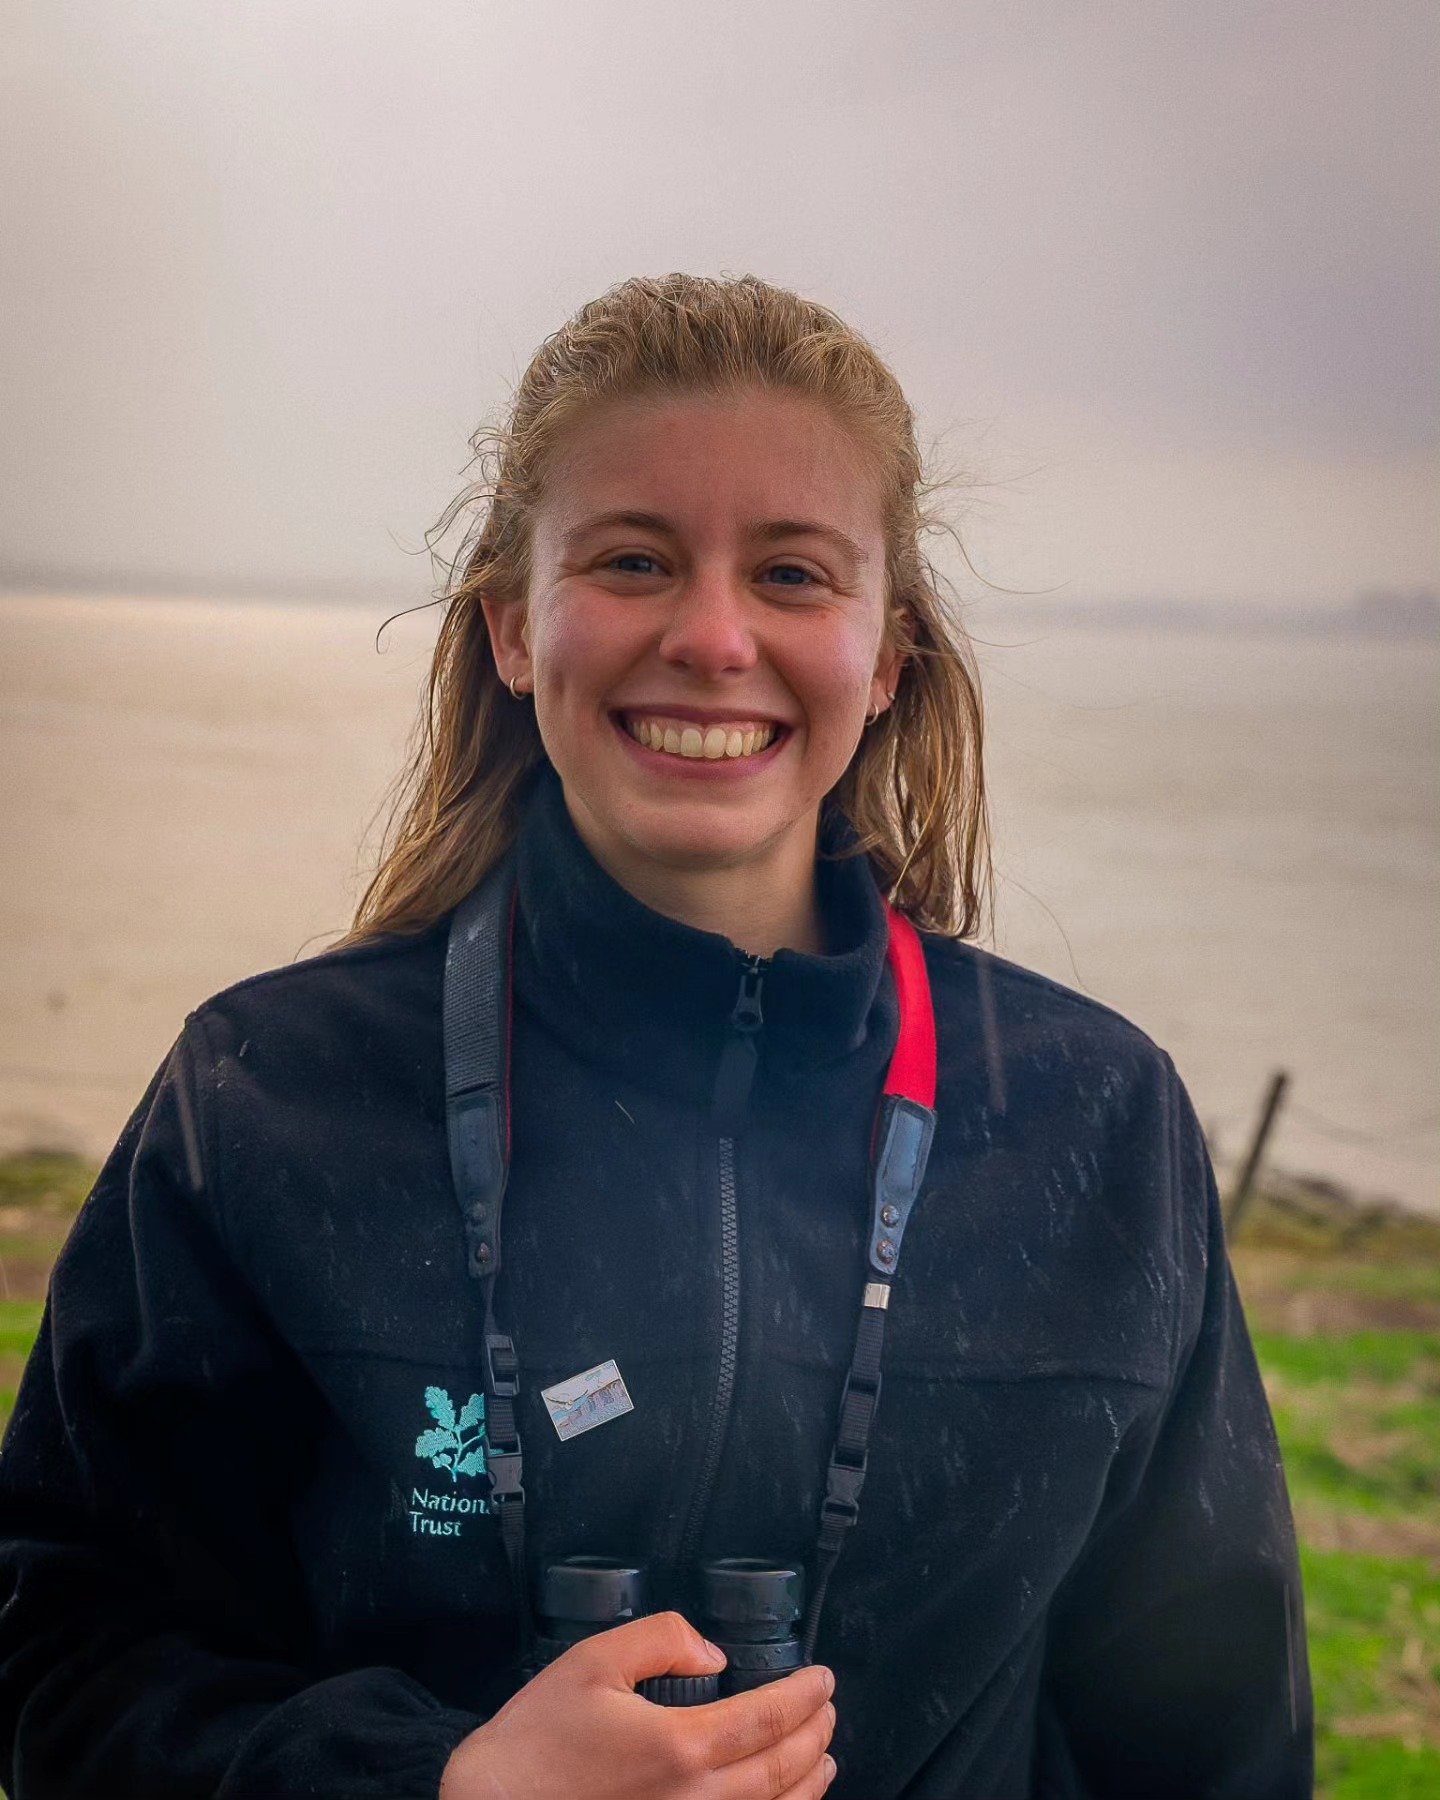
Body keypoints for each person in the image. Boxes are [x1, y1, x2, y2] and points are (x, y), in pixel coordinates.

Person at [0, 273, 1312, 1799]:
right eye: (633, 559)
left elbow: (1213, 1738)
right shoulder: (267, 1098)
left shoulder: (1096, 1122)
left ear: (886, 659)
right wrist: (441, 1786)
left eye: (794, 576)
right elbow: (62, 1653)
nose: (710, 636)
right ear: (510, 626)